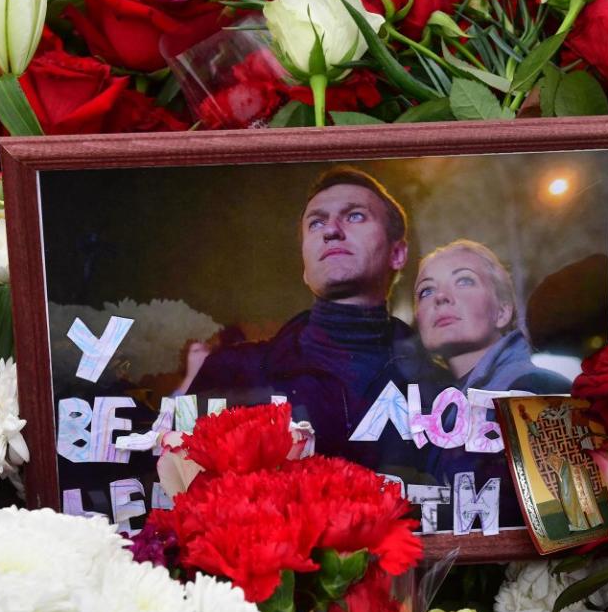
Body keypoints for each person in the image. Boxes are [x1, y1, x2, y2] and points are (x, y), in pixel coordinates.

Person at [187, 166, 447, 469]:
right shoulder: (232, 374)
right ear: (304, 265)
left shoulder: (442, 389)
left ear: (398, 253)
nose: (331, 230)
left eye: (355, 216)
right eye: (316, 222)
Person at [413, 239, 572, 394]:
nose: (440, 296)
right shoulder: (435, 403)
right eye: (426, 291)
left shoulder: (535, 388)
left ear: (502, 311)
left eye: (464, 281)